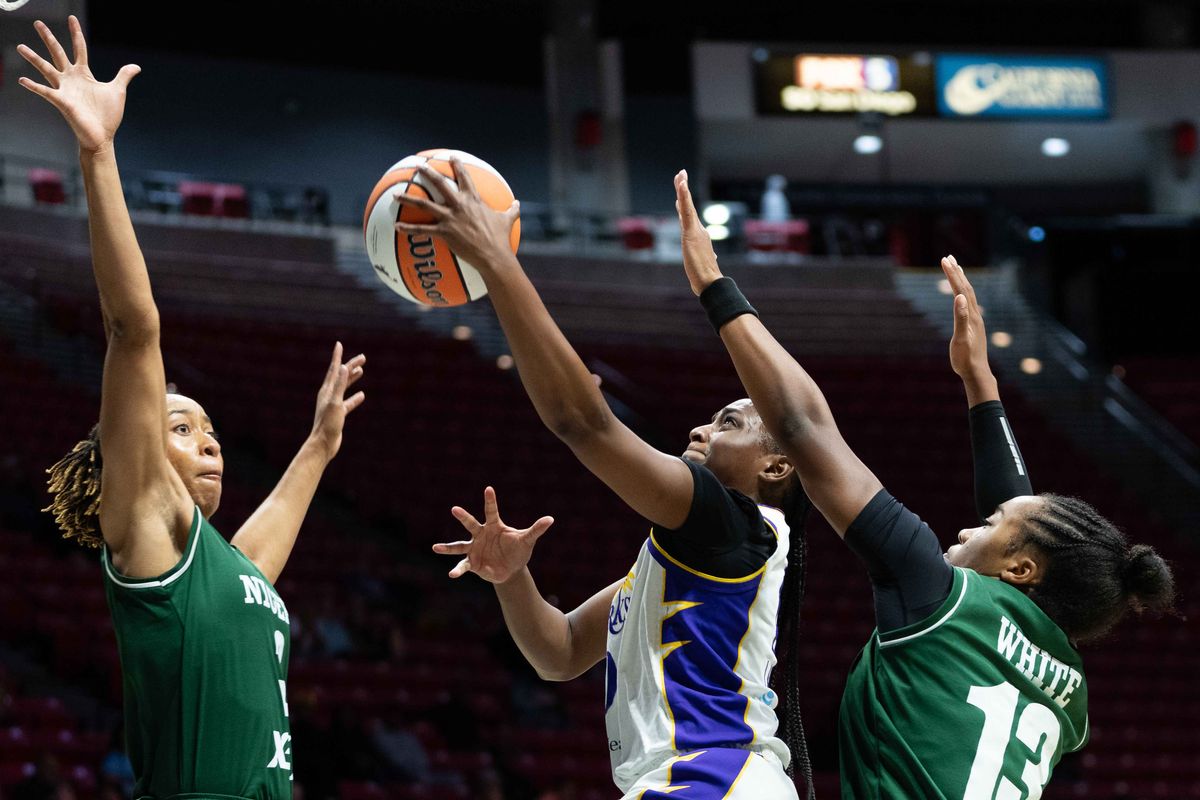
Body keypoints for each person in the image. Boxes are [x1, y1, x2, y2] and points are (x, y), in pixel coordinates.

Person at [671, 171, 1176, 799]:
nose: (971, 523)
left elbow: (799, 426)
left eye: (989, 527)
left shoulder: (938, 597)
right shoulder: (1066, 685)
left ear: (1020, 569)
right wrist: (979, 383)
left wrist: (714, 287)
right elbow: (1016, 517)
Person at [23, 18, 365, 798]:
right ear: (138, 451)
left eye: (209, 429)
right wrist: (98, 153)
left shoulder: (226, 573)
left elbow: (261, 553)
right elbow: (133, 329)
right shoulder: (143, 523)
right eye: (180, 427)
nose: (207, 442)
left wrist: (317, 444)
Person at [395, 161, 813, 799]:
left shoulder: (728, 524)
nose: (702, 431)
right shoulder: (687, 562)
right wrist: (511, 579)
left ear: (776, 466)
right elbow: (558, 653)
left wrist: (497, 263)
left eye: (728, 423)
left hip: (714, 778)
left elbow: (581, 423)